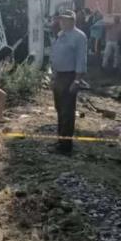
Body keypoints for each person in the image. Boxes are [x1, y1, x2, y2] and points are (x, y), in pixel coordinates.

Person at [49, 10, 88, 155]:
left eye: (65, 20)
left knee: (67, 112)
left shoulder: (79, 37)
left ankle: (65, 146)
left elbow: (81, 60)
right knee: (59, 109)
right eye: (60, 20)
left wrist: (77, 80)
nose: (61, 22)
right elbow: (55, 56)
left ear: (72, 21)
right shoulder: (61, 35)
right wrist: (53, 77)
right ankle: (60, 140)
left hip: (69, 76)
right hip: (59, 75)